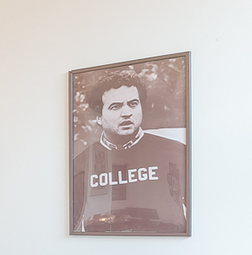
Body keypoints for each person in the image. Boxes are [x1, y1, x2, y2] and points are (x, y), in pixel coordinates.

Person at [71, 72, 187, 233]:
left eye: (133, 104)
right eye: (116, 106)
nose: (127, 113)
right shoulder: (79, 165)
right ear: (98, 117)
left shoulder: (175, 152)